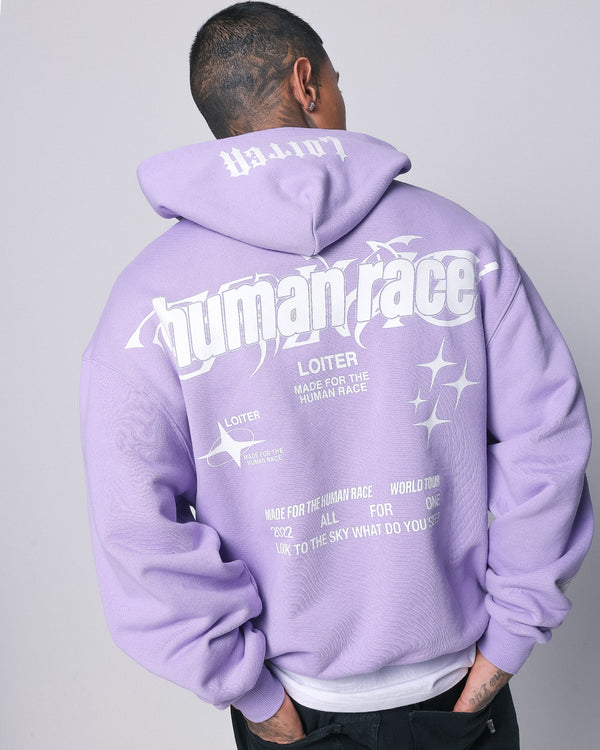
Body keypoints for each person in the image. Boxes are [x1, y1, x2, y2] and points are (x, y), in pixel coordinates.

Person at [80, 2, 593, 748]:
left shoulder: (147, 298)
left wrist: (249, 693)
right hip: (460, 696)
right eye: (336, 79)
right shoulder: (461, 244)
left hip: (295, 710)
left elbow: (134, 524)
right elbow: (549, 444)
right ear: (306, 83)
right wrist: (507, 646)